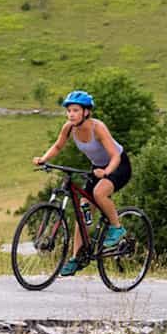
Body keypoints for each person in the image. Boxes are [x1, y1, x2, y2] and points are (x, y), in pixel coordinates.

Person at [33, 90, 131, 276]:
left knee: (99, 193)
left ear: (86, 112)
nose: (71, 114)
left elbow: (115, 155)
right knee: (83, 212)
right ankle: (76, 258)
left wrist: (107, 172)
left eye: (75, 110)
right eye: (69, 110)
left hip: (118, 166)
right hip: (97, 168)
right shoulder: (69, 128)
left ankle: (117, 228)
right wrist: (43, 159)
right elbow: (58, 146)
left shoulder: (98, 128)